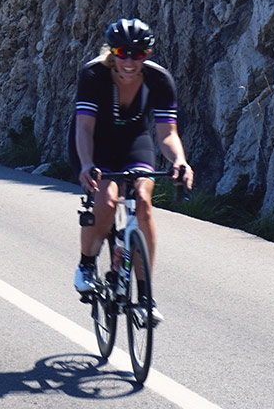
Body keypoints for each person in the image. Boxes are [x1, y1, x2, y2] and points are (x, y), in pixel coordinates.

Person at [71, 18, 193, 323]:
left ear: (147, 54)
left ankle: (146, 297)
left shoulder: (159, 80)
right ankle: (87, 264)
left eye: (137, 54)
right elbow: (84, 127)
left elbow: (166, 134)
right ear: (112, 51)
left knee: (143, 203)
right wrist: (87, 164)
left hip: (133, 144)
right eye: (122, 53)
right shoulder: (94, 74)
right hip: (93, 145)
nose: (129, 61)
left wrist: (179, 160)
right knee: (106, 203)